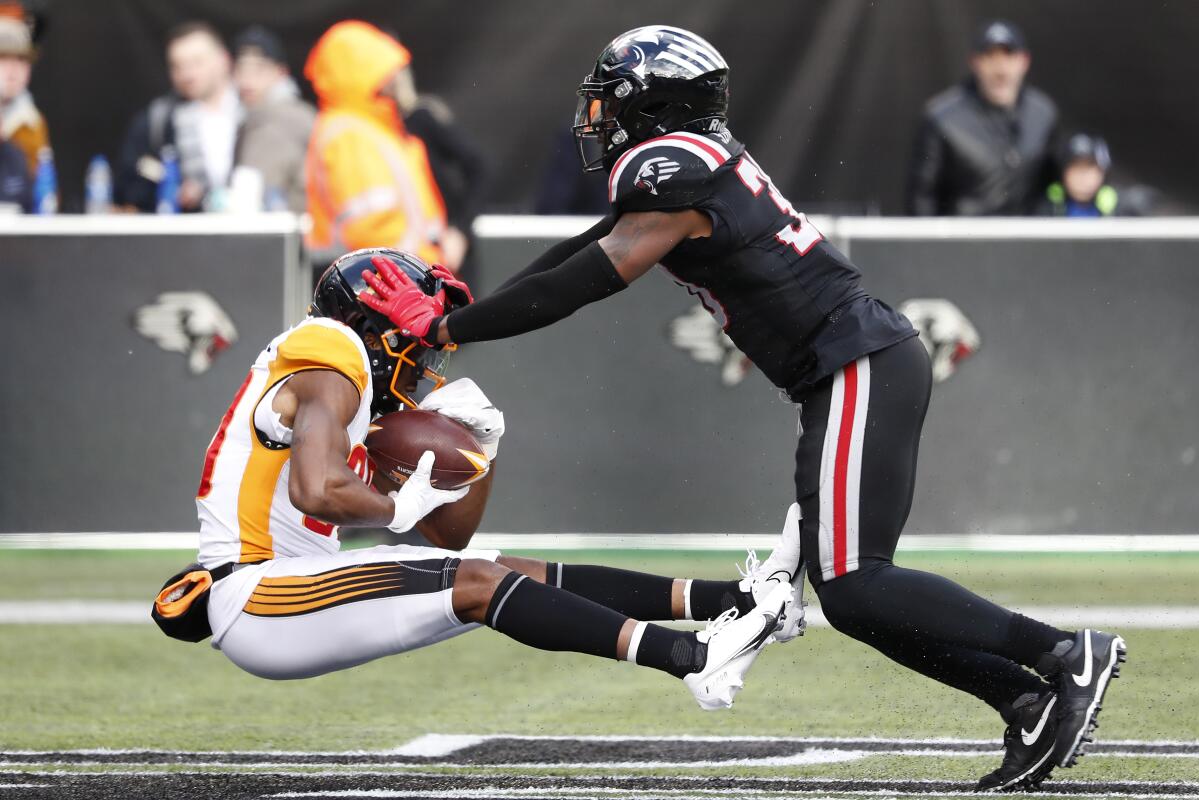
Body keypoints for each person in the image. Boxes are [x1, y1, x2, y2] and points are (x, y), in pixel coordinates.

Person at [358, 26, 1127, 791]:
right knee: (854, 598)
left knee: (859, 580)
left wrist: (447, 327)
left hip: (854, 359)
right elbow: (586, 246)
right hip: (846, 365)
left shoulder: (669, 170)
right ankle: (1026, 701)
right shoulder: (690, 164)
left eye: (612, 98)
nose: (598, 116)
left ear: (652, 103)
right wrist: (468, 307)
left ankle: (1061, 654)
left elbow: (588, 278)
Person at [152, 247, 794, 710]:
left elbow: (451, 536)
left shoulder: (362, 408)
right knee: (484, 583)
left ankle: (736, 600)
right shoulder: (329, 349)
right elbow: (315, 491)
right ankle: (694, 659)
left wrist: (477, 455)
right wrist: (395, 507)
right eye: (416, 335)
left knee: (500, 568)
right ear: (374, 329)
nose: (428, 353)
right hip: (257, 594)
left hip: (287, 590)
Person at [304, 21, 447, 266]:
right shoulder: (348, 134)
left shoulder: (374, 126)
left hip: (401, 279)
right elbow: (368, 228)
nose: (393, 77)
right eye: (382, 68)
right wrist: (420, 266)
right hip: (382, 283)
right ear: (356, 72)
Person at [907, 20, 1058, 216]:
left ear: (1024, 61)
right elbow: (921, 198)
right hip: (964, 241)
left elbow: (1057, 184)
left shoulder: (1043, 114)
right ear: (975, 62)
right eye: (990, 57)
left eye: (1009, 56)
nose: (1000, 70)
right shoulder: (942, 118)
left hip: (1026, 240)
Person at [115, 22, 241, 212]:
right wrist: (172, 188)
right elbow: (133, 175)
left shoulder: (254, 112)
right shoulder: (159, 119)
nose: (187, 74)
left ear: (224, 60)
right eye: (177, 66)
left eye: (197, 62)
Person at [393, 63, 491, 277]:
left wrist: (459, 230)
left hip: (441, 254)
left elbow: (477, 165)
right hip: (403, 256)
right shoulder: (368, 133)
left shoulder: (419, 120)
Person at [230, 26, 315, 213]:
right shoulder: (257, 115)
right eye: (241, 69)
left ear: (281, 73)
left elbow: (251, 200)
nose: (247, 80)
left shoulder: (281, 118)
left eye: (259, 69)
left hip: (294, 231)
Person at [1038, 133, 1147, 218]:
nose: (1083, 177)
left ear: (1103, 172)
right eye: (1077, 168)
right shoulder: (1046, 208)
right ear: (1063, 173)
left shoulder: (1121, 209)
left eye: (1089, 168)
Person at [0, 14, 48, 177]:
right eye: (3, 58)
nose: (13, 70)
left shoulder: (34, 123)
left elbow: (44, 193)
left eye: (21, 59)